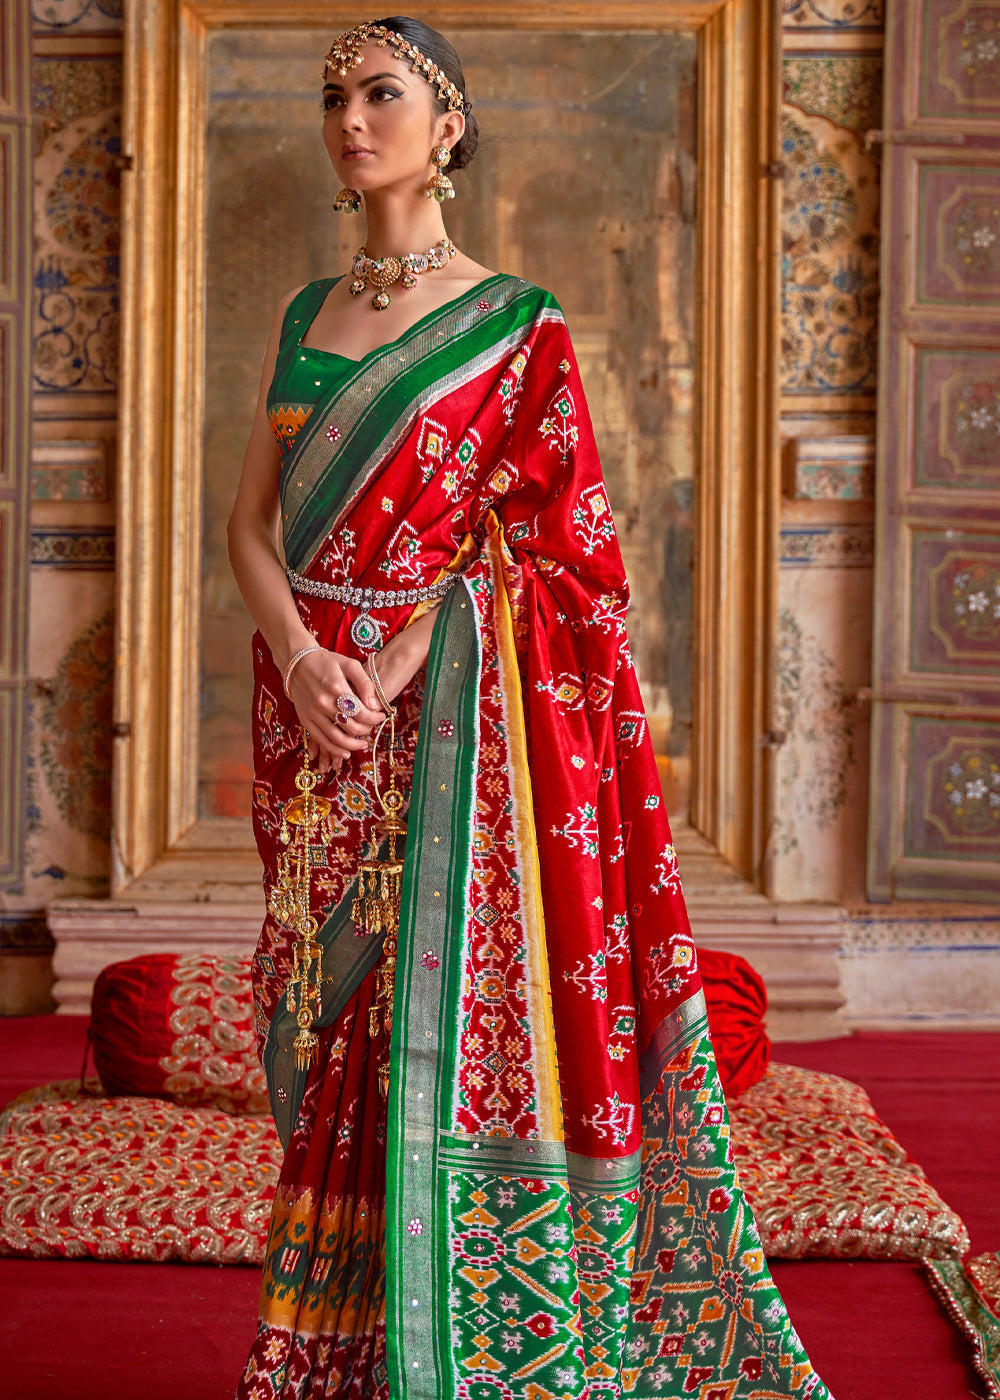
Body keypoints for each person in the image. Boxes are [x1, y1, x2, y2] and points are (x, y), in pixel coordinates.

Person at [227, 17, 832, 1400]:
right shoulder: (302, 316)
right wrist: (308, 662)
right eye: (334, 97)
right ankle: (337, 1352)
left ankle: (455, 1349)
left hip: (431, 722)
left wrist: (379, 675)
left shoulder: (518, 324)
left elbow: (565, 565)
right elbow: (248, 530)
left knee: (413, 1024)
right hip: (310, 716)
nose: (348, 119)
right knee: (331, 1038)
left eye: (380, 92)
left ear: (447, 125)